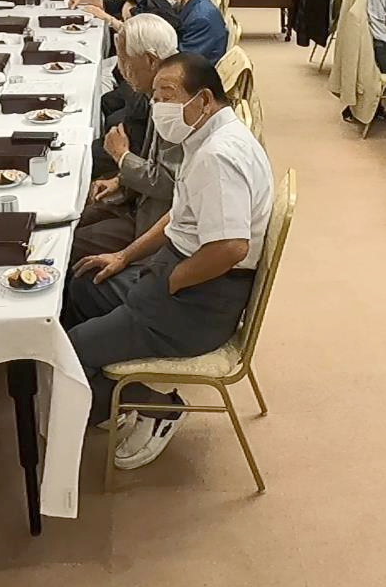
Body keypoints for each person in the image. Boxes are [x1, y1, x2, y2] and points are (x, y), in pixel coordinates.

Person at [64, 52, 274, 470]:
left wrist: (170, 283)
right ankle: (109, 400)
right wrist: (124, 256)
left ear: (204, 99)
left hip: (199, 298)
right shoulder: (206, 137)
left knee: (71, 348)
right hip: (182, 272)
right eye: (156, 97)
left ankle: (158, 407)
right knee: (85, 284)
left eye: (168, 95)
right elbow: (180, 214)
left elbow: (230, 248)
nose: (159, 106)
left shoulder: (218, 156)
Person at [76, 14, 183, 258]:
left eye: (125, 60)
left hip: (157, 223)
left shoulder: (174, 103)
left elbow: (169, 184)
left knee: (71, 242)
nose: (122, 69)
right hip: (138, 198)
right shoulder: (162, 87)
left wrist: (122, 157)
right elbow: (154, 160)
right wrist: (120, 179)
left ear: (150, 60)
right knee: (74, 216)